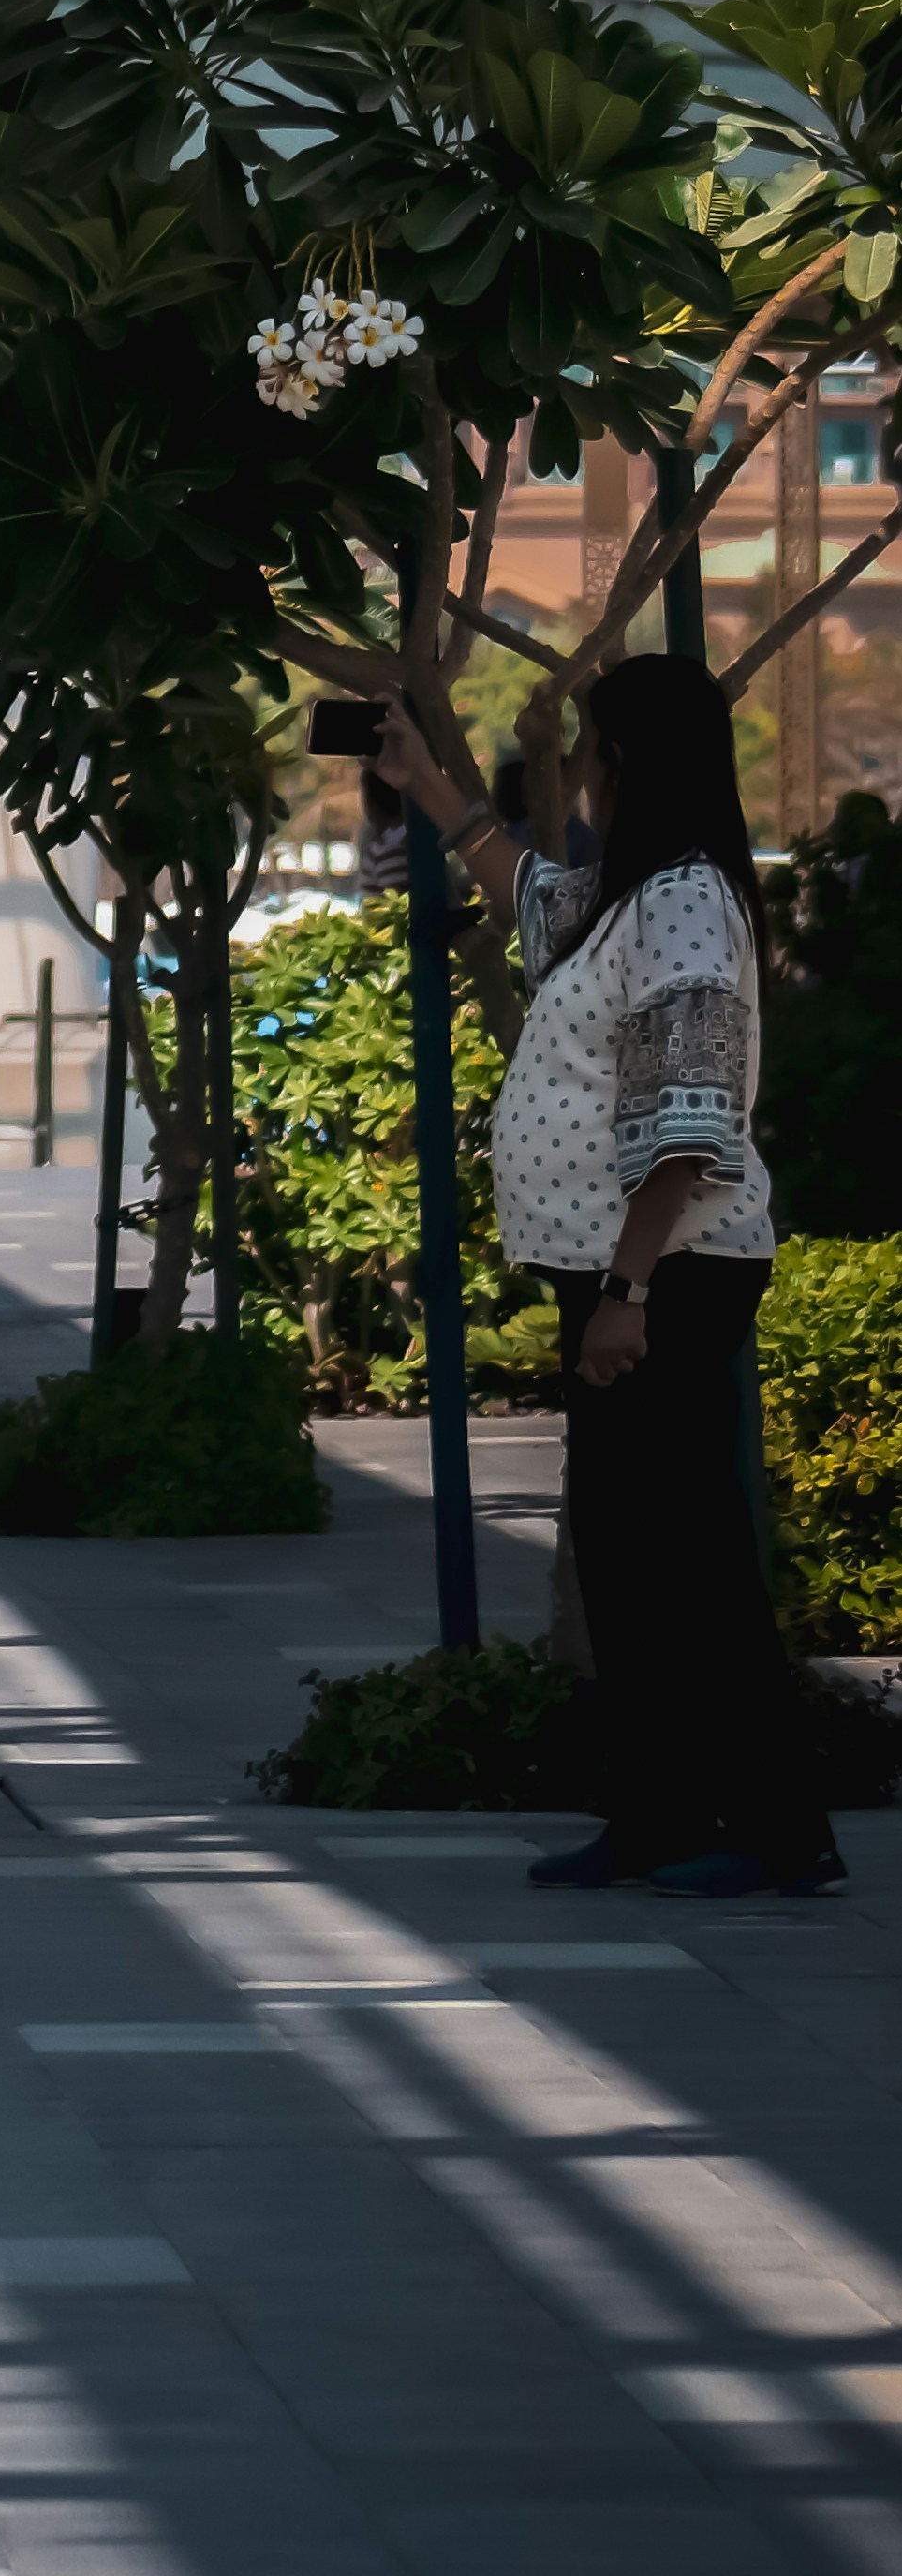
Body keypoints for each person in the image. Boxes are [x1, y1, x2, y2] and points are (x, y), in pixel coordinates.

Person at [375, 657, 843, 1900]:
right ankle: (656, 1812)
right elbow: (528, 891)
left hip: (666, 1274)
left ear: (632, 763)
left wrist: (627, 1295)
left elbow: (686, 1121)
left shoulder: (685, 904)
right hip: (626, 1274)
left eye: (589, 747)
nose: (575, 766)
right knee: (638, 1555)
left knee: (683, 1554)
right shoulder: (634, 895)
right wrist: (424, 781)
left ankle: (775, 1824)